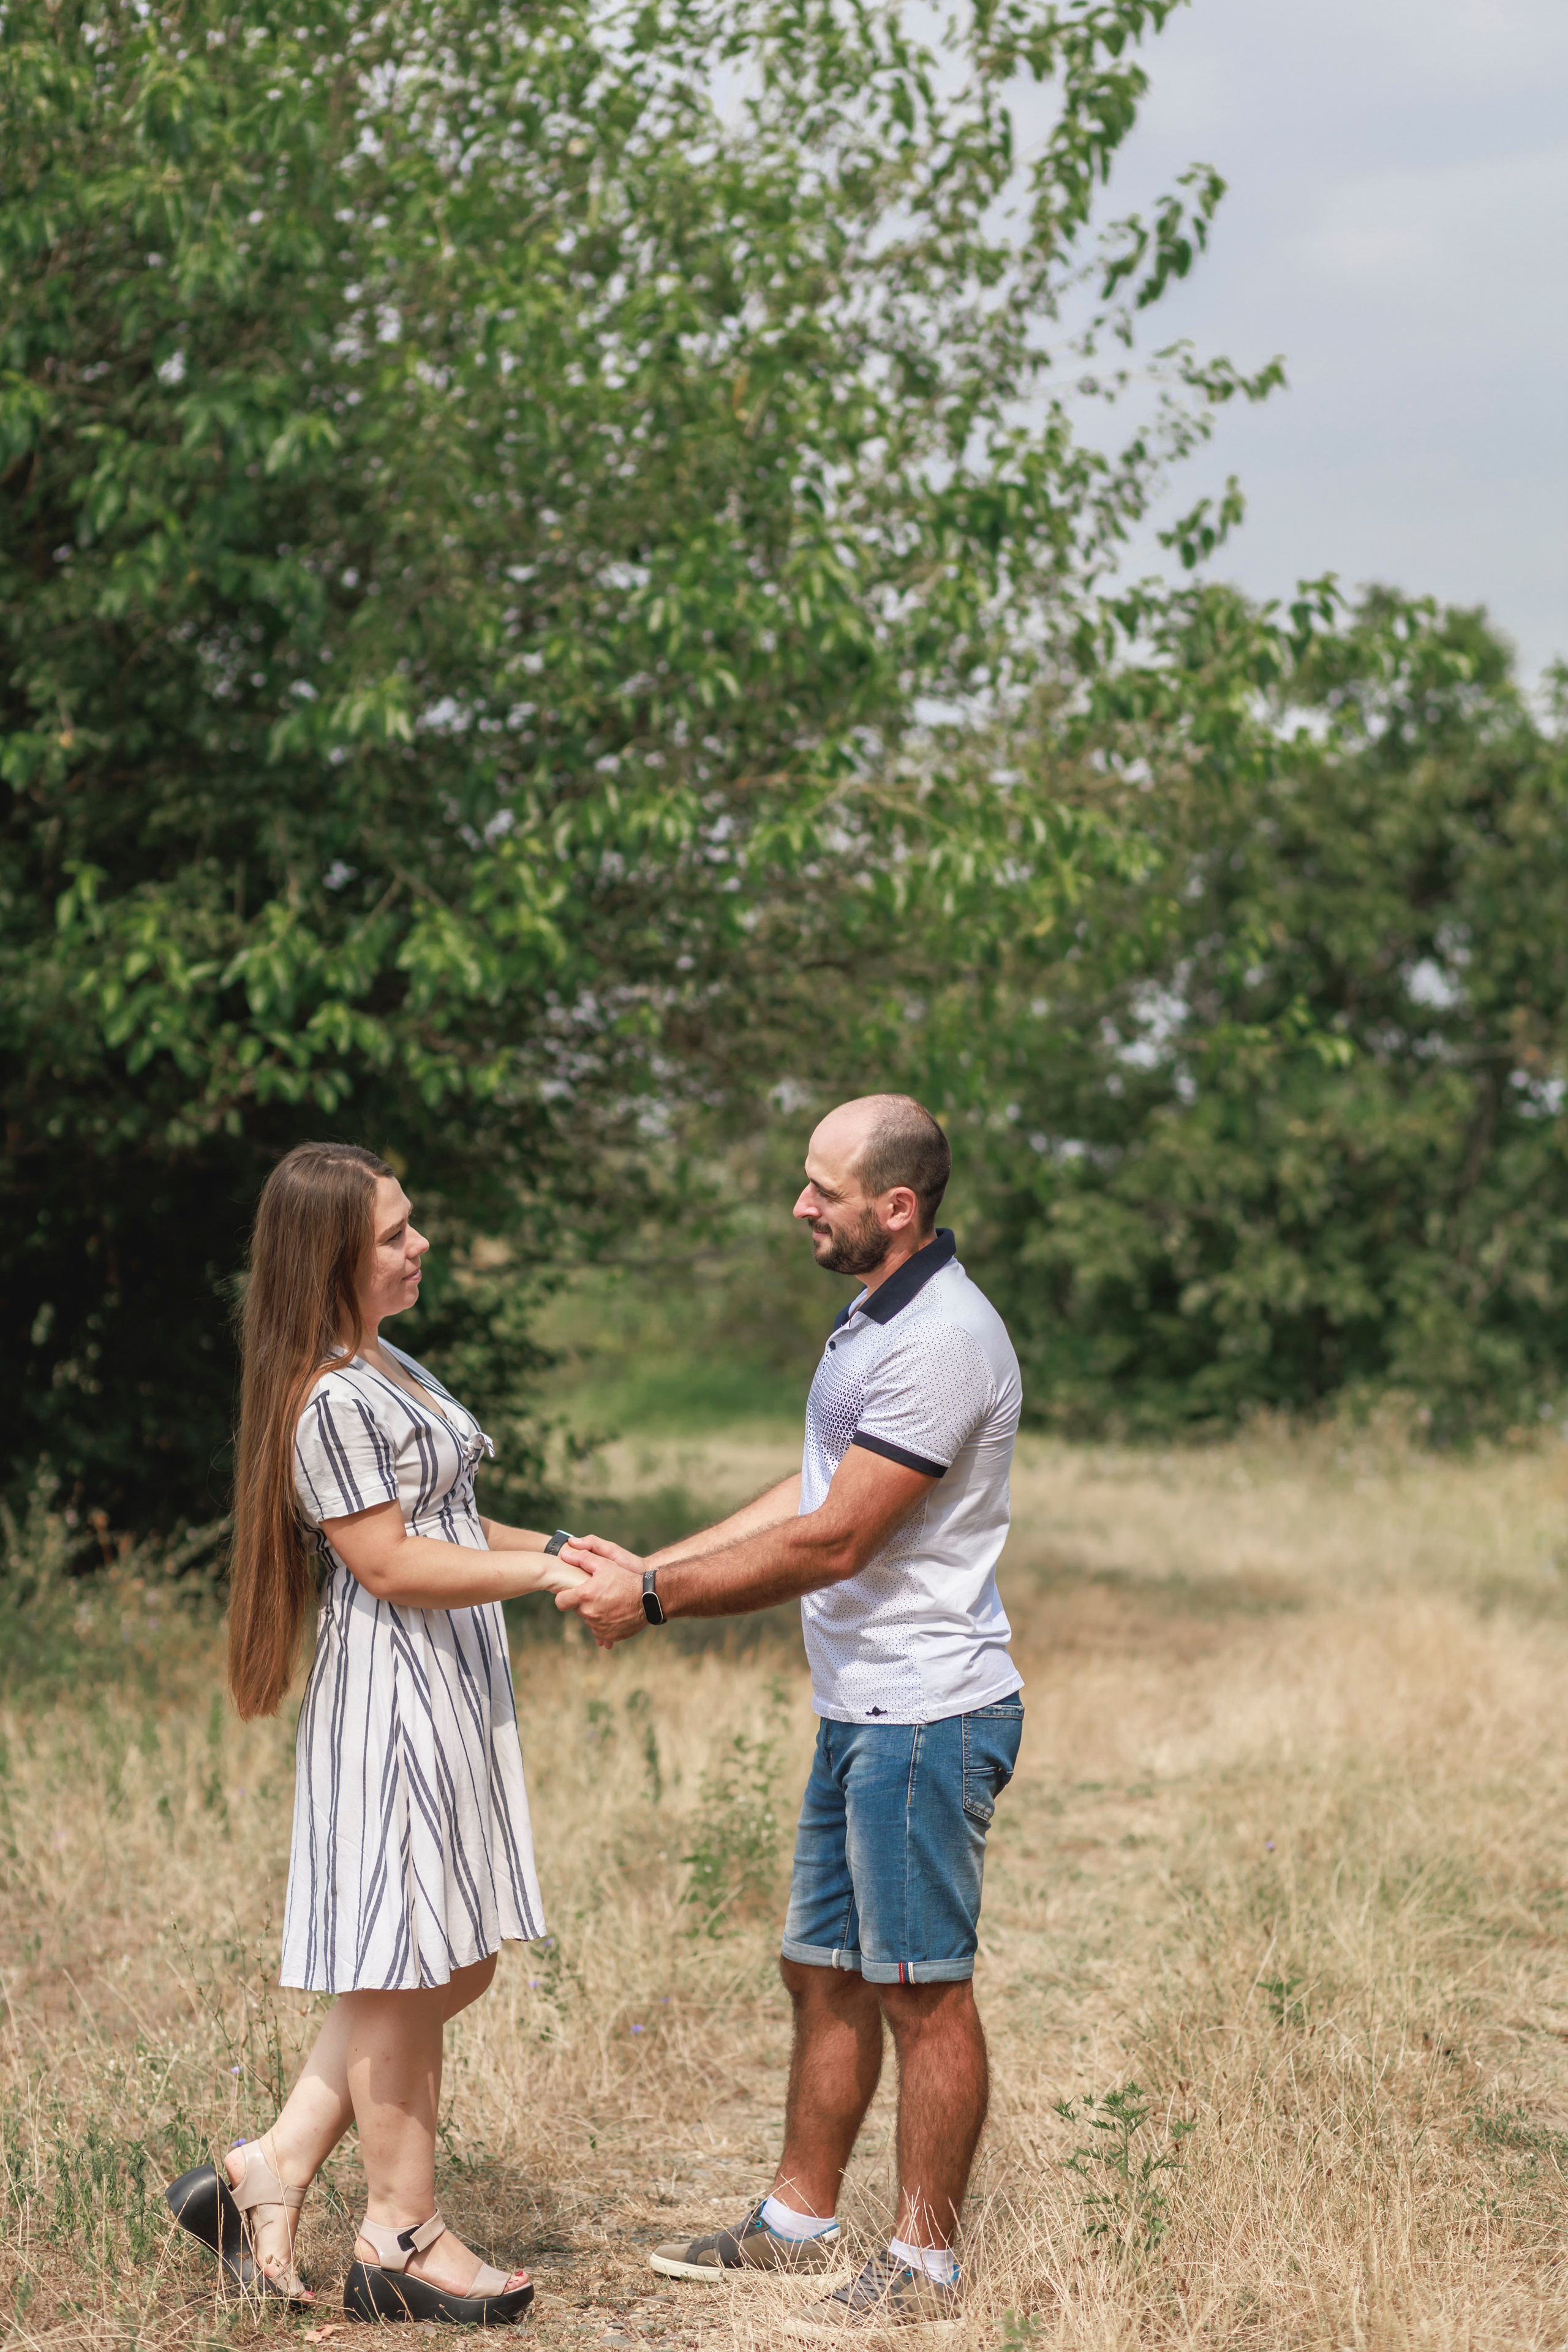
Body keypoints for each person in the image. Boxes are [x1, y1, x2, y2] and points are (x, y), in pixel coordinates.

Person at [559, 1094, 1023, 2335]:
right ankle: (796, 2224)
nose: (799, 1207)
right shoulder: (874, 1316)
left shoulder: (941, 1340)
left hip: (923, 1715)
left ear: (896, 1208)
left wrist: (652, 1598)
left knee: (921, 1987)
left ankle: (921, 2261)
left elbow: (832, 1539)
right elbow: (813, 1483)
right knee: (820, 1972)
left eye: (821, 1189)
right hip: (859, 1709)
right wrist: (655, 1561)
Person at [165, 1142, 589, 2327]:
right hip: (396, 1700)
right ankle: (401, 2232)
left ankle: (275, 2165)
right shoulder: (331, 1397)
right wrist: (536, 1582)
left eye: (412, 1225)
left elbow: (442, 1516)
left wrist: (557, 1547)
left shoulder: (385, 1363)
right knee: (408, 1969)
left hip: (448, 1688)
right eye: (394, 1235)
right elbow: (391, 1563)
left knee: (456, 1958)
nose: (419, 1246)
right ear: (331, 1257)